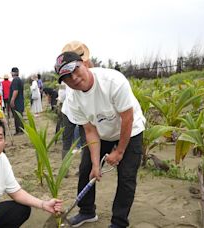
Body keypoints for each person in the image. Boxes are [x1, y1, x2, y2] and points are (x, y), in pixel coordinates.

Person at [54, 51, 146, 228]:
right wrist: (96, 165)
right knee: (86, 169)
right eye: (66, 77)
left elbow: (127, 118)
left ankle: (119, 222)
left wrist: (119, 152)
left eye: (75, 70)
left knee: (126, 177)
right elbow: (90, 130)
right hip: (101, 132)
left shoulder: (113, 81)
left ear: (85, 64)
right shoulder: (73, 98)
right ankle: (87, 211)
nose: (74, 78)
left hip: (130, 130)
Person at [9, 67, 24, 135]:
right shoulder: (19, 79)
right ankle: (21, 130)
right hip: (20, 101)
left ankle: (19, 131)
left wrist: (12, 100)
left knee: (17, 116)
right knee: (19, 115)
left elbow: (15, 90)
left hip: (17, 101)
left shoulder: (15, 80)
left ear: (13, 73)